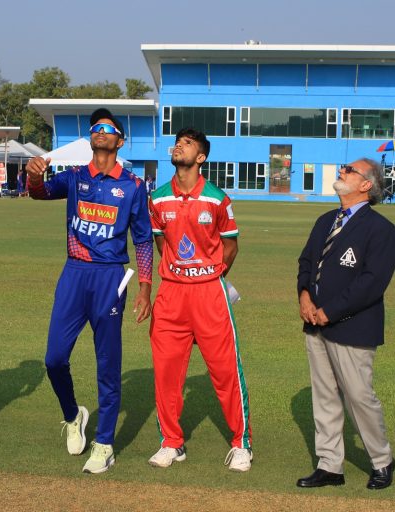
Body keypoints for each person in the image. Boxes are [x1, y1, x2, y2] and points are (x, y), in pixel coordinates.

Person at [25, 108, 153, 474]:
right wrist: (33, 176)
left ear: (120, 141)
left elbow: (143, 240)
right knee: (54, 359)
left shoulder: (133, 185)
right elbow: (40, 193)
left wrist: (145, 287)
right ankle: (73, 415)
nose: (100, 131)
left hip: (110, 278)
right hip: (74, 273)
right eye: (95, 127)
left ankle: (105, 443)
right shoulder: (75, 176)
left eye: (108, 128)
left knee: (108, 365)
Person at [147, 128, 253, 472]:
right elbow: (162, 243)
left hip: (209, 293)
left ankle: (241, 444)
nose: (179, 146)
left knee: (225, 372)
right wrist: (181, 271)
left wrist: (208, 274)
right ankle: (171, 442)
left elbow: (230, 246)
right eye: (178, 142)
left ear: (202, 157)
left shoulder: (217, 199)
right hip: (171, 294)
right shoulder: (158, 198)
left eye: (188, 143)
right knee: (166, 373)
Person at [296, 158, 395, 490]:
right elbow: (306, 262)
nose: (342, 171)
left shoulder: (381, 229)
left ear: (367, 185)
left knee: (359, 397)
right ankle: (330, 465)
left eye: (349, 170)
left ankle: (381, 460)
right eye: (343, 168)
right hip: (316, 324)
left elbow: (372, 282)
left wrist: (330, 311)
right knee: (324, 397)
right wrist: (304, 296)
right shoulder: (325, 220)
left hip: (353, 327)